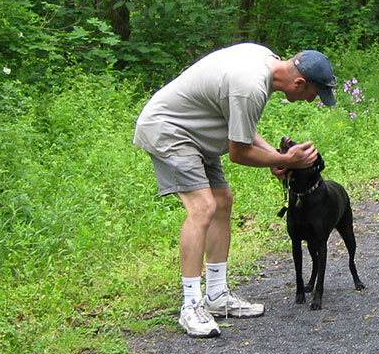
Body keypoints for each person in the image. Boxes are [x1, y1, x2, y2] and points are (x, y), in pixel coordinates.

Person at [133, 44, 337, 338]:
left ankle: (216, 295)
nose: (309, 101)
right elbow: (239, 153)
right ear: (300, 83)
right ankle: (191, 305)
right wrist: (284, 160)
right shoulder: (251, 86)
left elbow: (241, 126)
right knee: (202, 207)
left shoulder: (264, 62)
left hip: (200, 133)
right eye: (313, 95)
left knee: (222, 201)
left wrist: (274, 157)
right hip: (170, 129)